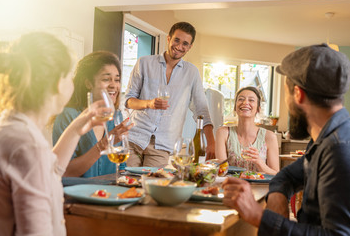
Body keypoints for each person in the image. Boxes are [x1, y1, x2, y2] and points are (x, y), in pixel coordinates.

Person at [223, 43, 350, 236]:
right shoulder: (324, 138)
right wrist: (278, 196)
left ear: (298, 94)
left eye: (286, 94)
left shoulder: (340, 150)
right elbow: (286, 176)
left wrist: (258, 216)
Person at [0, 32, 107, 236]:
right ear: (58, 83)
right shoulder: (28, 145)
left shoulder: (12, 127)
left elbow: (50, 172)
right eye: (70, 77)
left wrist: (76, 128)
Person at [124, 21, 215, 167]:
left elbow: (201, 109)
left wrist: (211, 143)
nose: (179, 47)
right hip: (134, 137)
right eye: (176, 40)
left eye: (185, 44)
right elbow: (128, 100)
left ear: (190, 47)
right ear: (168, 38)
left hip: (163, 145)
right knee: (125, 181)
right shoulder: (144, 63)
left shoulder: (191, 73)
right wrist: (148, 103)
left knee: (151, 186)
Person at [53, 51, 132, 177]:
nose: (114, 85)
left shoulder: (116, 116)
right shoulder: (69, 116)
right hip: (76, 194)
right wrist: (104, 144)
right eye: (106, 79)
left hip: (108, 193)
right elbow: (65, 172)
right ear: (88, 83)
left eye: (117, 80)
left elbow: (121, 166)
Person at [215, 86, 279, 175]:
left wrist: (259, 162)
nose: (245, 103)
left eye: (251, 100)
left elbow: (276, 174)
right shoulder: (223, 133)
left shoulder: (269, 137)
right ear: (235, 107)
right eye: (241, 99)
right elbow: (221, 171)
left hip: (260, 188)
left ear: (258, 108)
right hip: (232, 186)